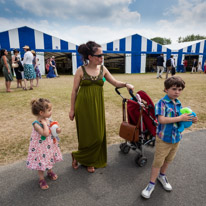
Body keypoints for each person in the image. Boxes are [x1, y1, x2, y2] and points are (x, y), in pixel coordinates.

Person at [69, 41, 134, 173]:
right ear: (90, 57)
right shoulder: (80, 70)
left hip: (97, 106)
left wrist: (126, 84)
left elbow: (115, 82)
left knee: (98, 135)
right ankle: (88, 161)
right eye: (99, 55)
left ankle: (78, 156)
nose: (101, 57)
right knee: (86, 135)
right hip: (83, 106)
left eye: (102, 55)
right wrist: (72, 109)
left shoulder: (103, 69)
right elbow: (74, 91)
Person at [141, 76, 198, 199]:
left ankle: (162, 176)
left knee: (168, 160)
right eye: (174, 89)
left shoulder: (178, 103)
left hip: (176, 138)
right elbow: (161, 120)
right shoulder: (161, 103)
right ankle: (151, 183)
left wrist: (191, 120)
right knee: (158, 162)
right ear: (166, 90)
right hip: (163, 139)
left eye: (179, 89)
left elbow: (181, 122)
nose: (177, 92)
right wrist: (180, 118)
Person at [26, 98, 63, 190]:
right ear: (41, 112)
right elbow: (45, 133)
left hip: (49, 145)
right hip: (40, 147)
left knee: (49, 157)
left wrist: (57, 130)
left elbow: (54, 130)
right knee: (41, 161)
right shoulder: (36, 124)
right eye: (49, 110)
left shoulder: (48, 119)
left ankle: (50, 171)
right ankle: (41, 179)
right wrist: (46, 125)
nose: (51, 112)